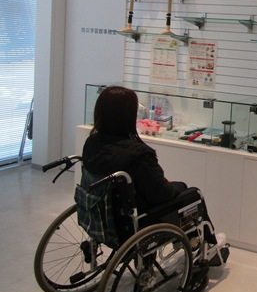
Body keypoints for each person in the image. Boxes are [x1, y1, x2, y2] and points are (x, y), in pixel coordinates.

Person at [81, 85, 223, 251]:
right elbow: (162, 194)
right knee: (193, 194)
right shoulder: (137, 154)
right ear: (128, 116)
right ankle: (206, 245)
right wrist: (178, 186)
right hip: (132, 224)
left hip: (102, 217)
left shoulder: (91, 143)